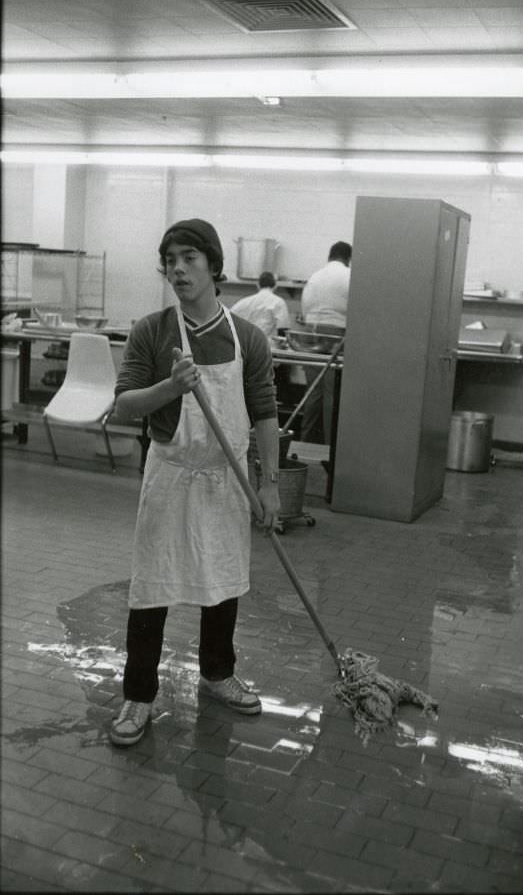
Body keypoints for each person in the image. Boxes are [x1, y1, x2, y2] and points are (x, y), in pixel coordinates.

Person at [108, 217, 281, 748]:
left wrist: (269, 483)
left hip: (226, 478)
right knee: (151, 587)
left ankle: (217, 673)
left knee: (222, 579)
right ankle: (138, 695)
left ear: (213, 265)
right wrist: (169, 386)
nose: (178, 269)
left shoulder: (247, 337)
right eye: (170, 260)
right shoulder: (152, 330)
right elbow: (122, 405)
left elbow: (266, 412)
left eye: (189, 258)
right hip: (172, 472)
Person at [299, 240, 351, 444]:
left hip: (310, 334)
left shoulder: (315, 277)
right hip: (336, 334)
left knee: (313, 393)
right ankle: (331, 449)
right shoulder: (348, 275)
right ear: (348, 258)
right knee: (333, 394)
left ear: (330, 256)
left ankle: (304, 445)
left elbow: (304, 310)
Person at [230, 271, 290, 339]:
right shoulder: (279, 302)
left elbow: (227, 320)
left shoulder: (243, 302)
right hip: (265, 344)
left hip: (244, 344)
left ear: (258, 285)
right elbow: (283, 330)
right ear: (275, 286)